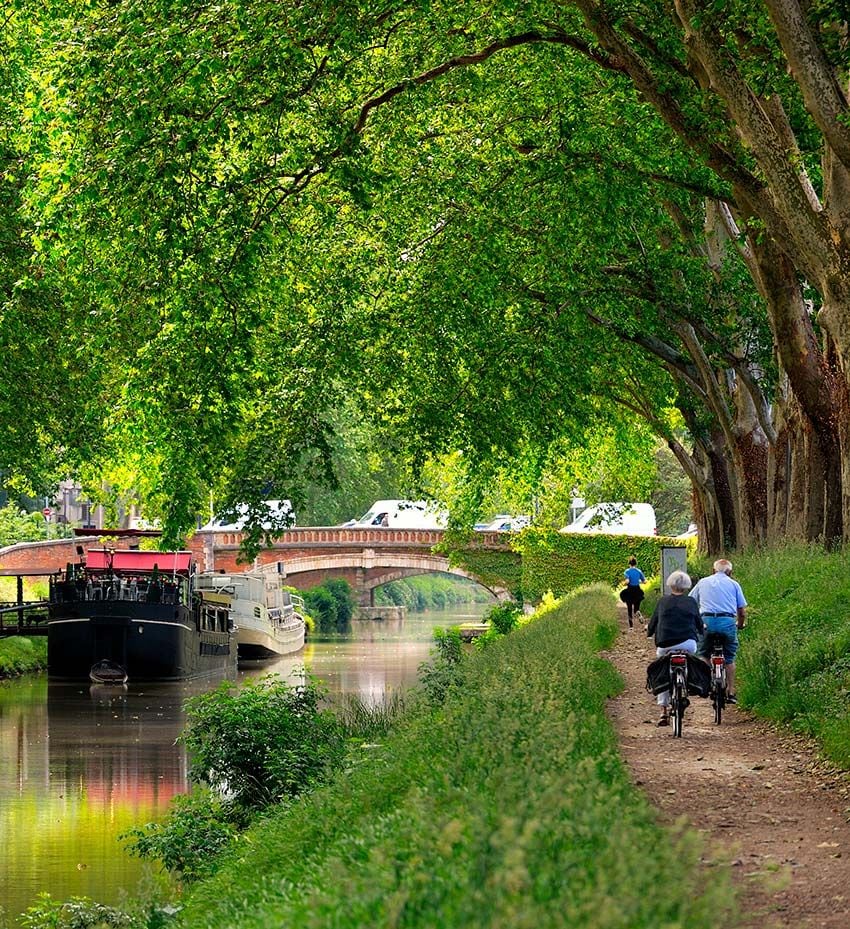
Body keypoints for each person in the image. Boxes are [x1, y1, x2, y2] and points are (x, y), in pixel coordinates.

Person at [646, 570, 703, 726]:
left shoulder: (662, 601)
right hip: (688, 643)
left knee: (663, 672)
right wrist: (701, 630)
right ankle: (688, 683)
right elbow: (698, 623)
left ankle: (663, 711)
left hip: (665, 644)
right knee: (690, 661)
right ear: (686, 586)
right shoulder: (691, 602)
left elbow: (653, 623)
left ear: (670, 584)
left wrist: (649, 632)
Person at [690, 558, 747, 704]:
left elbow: (691, 602)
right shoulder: (734, 584)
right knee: (729, 657)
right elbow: (741, 611)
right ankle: (731, 691)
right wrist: (740, 624)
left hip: (706, 622)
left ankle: (705, 683)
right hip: (727, 622)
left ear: (713, 570)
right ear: (730, 572)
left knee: (703, 653)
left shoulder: (702, 582)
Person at [621, 556, 646, 628]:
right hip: (638, 590)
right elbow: (644, 581)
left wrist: (624, 583)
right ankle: (638, 612)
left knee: (629, 608)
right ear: (636, 564)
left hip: (630, 590)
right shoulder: (639, 571)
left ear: (629, 564)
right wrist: (639, 581)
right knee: (636, 608)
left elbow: (627, 581)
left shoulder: (627, 571)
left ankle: (631, 626)